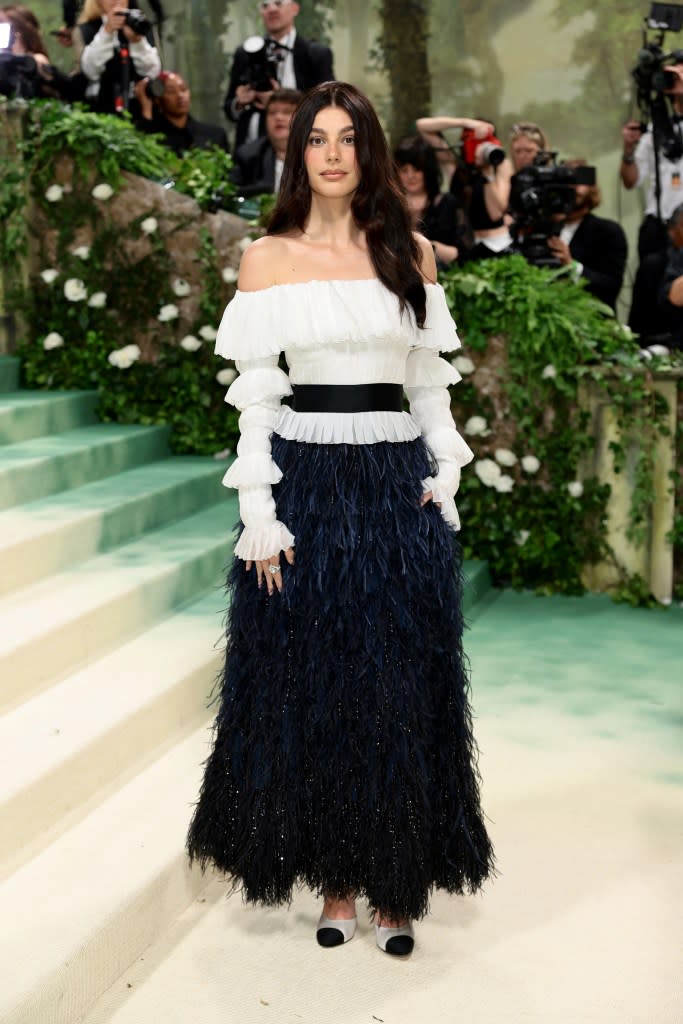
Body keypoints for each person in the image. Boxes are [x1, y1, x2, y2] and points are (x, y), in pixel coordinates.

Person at [187, 81, 494, 958]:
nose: (330, 152)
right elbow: (253, 398)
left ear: (369, 151)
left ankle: (397, 884)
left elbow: (428, 381)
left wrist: (447, 474)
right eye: (315, 138)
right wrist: (258, 513)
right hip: (304, 482)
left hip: (397, 481)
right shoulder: (266, 260)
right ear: (298, 154)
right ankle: (334, 879)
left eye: (347, 137)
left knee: (397, 687)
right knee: (314, 688)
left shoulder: (411, 255)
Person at [224, 0, 334, 150]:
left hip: (302, 144)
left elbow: (329, 105)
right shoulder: (245, 53)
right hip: (253, 148)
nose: (272, 9)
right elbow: (229, 107)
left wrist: (278, 99)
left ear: (294, 9)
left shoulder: (315, 54)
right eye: (265, 5)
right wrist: (240, 102)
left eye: (278, 3)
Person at [545, 159, 627, 311]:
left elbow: (611, 287)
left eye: (580, 182)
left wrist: (572, 266)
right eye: (567, 182)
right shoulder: (543, 229)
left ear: (591, 188)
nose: (574, 189)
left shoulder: (608, 231)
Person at [393, 135, 471, 268]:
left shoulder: (449, 203)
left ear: (428, 170)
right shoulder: (389, 205)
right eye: (404, 170)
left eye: (416, 170)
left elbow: (465, 255)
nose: (410, 176)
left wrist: (428, 247)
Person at [79, 0, 160, 114]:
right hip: (103, 110)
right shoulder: (87, 29)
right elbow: (90, 71)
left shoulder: (140, 23)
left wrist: (137, 42)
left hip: (140, 108)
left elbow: (152, 71)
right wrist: (107, 32)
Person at [134, 71, 229, 156]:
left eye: (183, 89)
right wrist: (146, 108)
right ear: (157, 99)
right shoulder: (151, 135)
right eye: (171, 91)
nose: (180, 96)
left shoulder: (214, 134)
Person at [229, 88, 301, 197]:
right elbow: (231, 195)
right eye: (272, 113)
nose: (278, 117)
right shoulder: (248, 156)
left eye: (287, 112)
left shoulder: (318, 153)